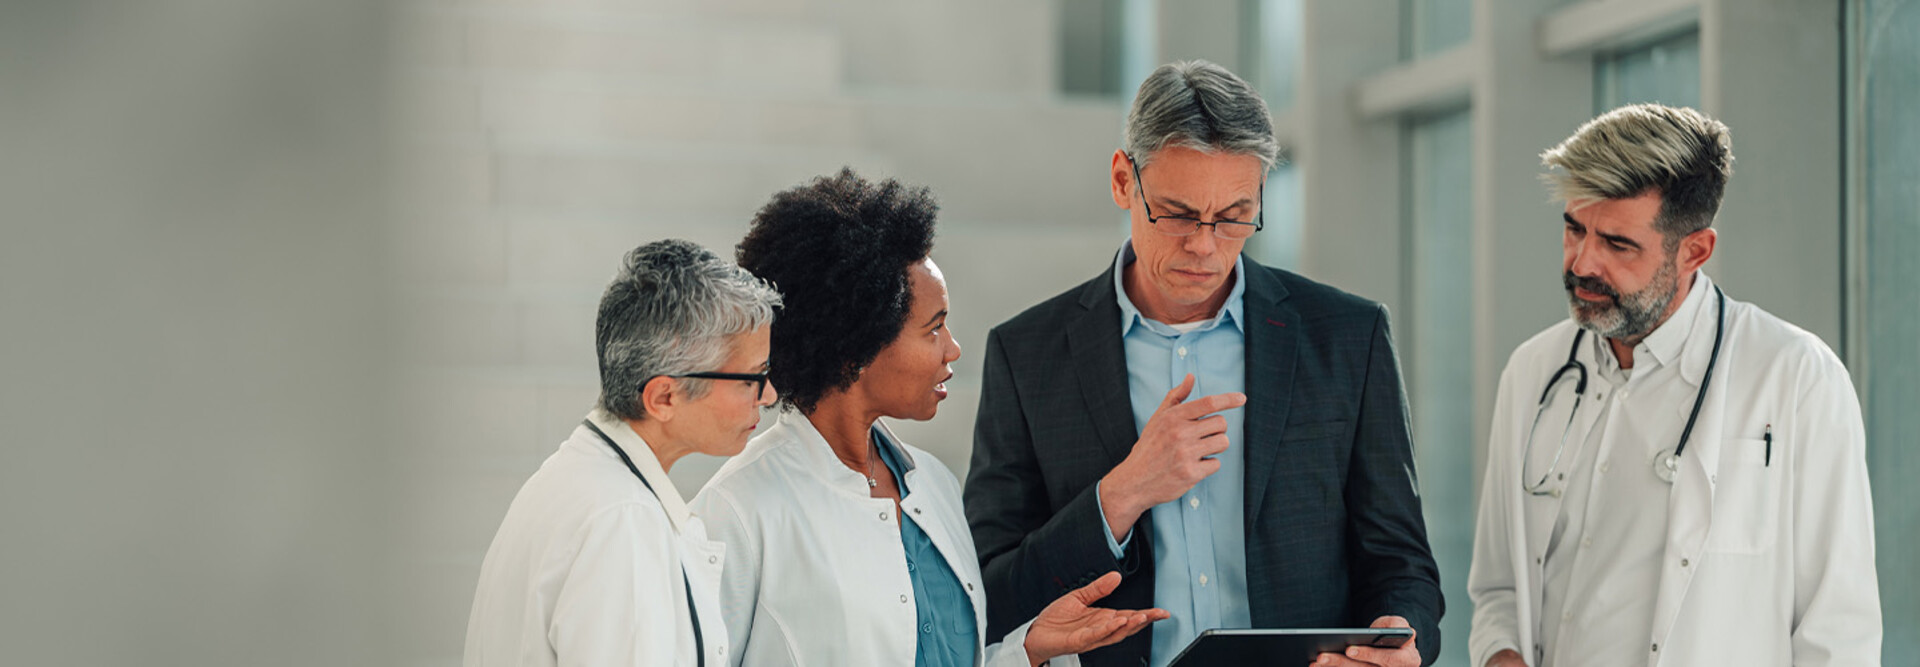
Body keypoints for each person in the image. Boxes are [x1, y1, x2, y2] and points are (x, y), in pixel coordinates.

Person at [962, 60, 1443, 667]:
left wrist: (1404, 639)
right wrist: (1120, 495)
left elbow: (1403, 565)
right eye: (1180, 213)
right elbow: (986, 597)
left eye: (1236, 215)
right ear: (1121, 180)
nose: (1205, 245)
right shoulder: (1027, 354)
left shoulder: (1350, 337)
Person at [691, 170, 1168, 667]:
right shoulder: (736, 512)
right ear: (855, 350)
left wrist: (1026, 652)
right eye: (934, 328)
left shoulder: (933, 485)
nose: (953, 348)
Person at [1466, 104, 1881, 667]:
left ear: (1695, 251)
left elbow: (1839, 629)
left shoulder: (1796, 377)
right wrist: (1501, 653)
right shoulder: (1532, 372)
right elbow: (1498, 587)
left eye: (1617, 244)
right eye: (1573, 229)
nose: (1582, 262)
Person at [464, 239, 781, 666]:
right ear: (663, 397)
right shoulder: (621, 522)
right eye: (752, 378)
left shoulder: (579, 485)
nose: (769, 395)